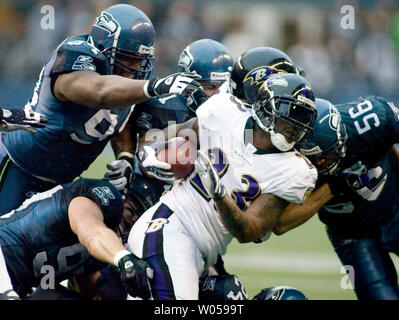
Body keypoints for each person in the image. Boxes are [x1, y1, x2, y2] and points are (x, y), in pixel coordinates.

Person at [127, 72, 318, 300]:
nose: (294, 126)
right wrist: (150, 147)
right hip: (169, 225)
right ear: (266, 107)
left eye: (302, 119)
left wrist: (219, 194)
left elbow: (249, 230)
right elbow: (173, 133)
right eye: (289, 114)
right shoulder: (224, 112)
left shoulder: (295, 171)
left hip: (206, 255)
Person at [0, 4, 201, 215]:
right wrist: (155, 87)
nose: (134, 68)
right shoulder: (74, 54)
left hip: (63, 182)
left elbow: (122, 118)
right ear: (102, 48)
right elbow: (99, 92)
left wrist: (124, 156)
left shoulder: (132, 81)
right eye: (127, 58)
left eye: (139, 60)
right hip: (18, 166)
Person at [274, 96, 399, 300]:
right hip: (350, 234)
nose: (322, 162)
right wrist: (332, 187)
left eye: (327, 155)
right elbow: (280, 223)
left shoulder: (371, 118)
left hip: (394, 207)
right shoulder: (289, 160)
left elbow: (389, 135)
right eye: (316, 159)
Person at [105, 38, 234, 196]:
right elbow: (127, 120)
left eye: (224, 87)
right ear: (188, 81)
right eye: (211, 87)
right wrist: (127, 157)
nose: (218, 95)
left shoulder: (234, 111)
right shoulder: (163, 106)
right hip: (157, 187)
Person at [0, 177, 152, 300]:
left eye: (141, 218)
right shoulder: (91, 195)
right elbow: (91, 232)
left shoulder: (103, 253)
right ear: (121, 194)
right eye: (133, 209)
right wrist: (124, 258)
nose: (133, 220)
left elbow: (92, 290)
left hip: (18, 286)